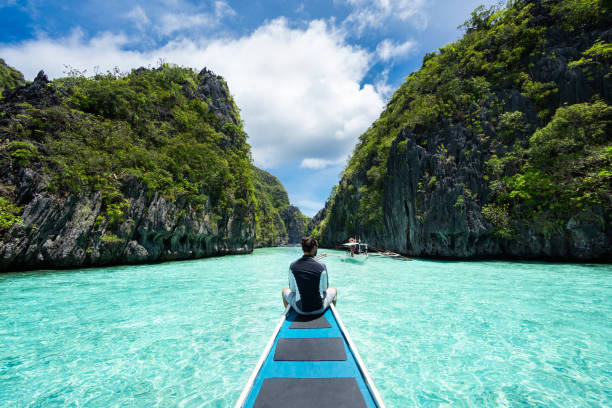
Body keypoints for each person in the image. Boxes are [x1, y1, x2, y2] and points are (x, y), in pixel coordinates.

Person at [282, 237, 337, 315]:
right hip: (319, 308)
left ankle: (290, 315)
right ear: (314, 248)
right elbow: (325, 289)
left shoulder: (293, 266)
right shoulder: (322, 266)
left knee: (284, 291)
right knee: (334, 290)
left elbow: (292, 289)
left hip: (300, 309)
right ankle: (329, 314)